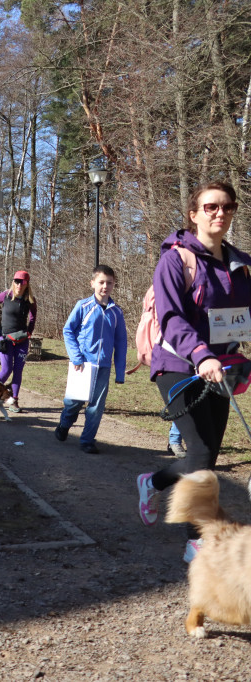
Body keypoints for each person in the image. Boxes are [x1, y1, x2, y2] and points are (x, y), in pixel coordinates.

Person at [136, 180, 250, 562]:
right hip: (179, 365)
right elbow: (170, 317)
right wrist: (200, 354)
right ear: (194, 214)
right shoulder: (175, 259)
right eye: (211, 207)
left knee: (206, 455)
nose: (220, 213)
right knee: (199, 448)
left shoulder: (241, 265)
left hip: (222, 369)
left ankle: (152, 482)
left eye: (227, 207)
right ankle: (196, 539)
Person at [53, 264, 127, 454]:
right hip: (82, 365)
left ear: (113, 285)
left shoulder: (116, 312)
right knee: (74, 403)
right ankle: (64, 424)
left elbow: (121, 343)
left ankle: (87, 441)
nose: (105, 286)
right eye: (101, 282)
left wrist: (119, 372)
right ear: (92, 283)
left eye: (109, 283)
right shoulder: (83, 306)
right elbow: (67, 330)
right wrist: (76, 357)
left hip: (103, 367)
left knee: (96, 407)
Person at [0, 270, 38, 413]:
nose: (19, 285)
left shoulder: (30, 300)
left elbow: (32, 318)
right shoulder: (6, 295)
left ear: (27, 284)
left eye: (23, 282)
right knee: (6, 369)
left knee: (18, 370)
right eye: (17, 281)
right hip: (6, 339)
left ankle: (14, 400)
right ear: (13, 282)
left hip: (22, 340)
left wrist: (29, 332)